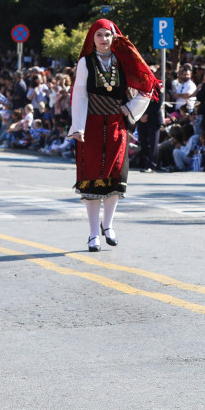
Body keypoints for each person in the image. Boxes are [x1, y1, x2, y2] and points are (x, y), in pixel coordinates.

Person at [67, 19, 160, 252]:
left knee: (115, 177)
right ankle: (92, 234)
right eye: (99, 35)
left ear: (114, 37)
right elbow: (79, 95)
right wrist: (78, 127)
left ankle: (108, 226)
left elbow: (148, 85)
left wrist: (130, 109)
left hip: (118, 125)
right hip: (92, 125)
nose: (103, 39)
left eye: (107, 35)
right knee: (91, 178)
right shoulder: (85, 62)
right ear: (92, 38)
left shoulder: (123, 61)